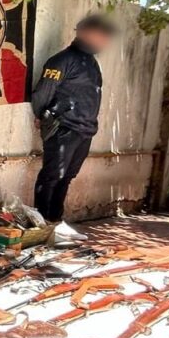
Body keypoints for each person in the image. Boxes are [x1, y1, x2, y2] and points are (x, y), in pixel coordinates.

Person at [31, 14, 117, 223]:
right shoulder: (62, 60)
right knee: (52, 176)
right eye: (101, 35)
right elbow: (43, 92)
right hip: (63, 127)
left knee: (67, 177)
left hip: (84, 130)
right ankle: (41, 223)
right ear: (85, 33)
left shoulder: (91, 63)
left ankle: (54, 220)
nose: (104, 41)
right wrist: (42, 116)